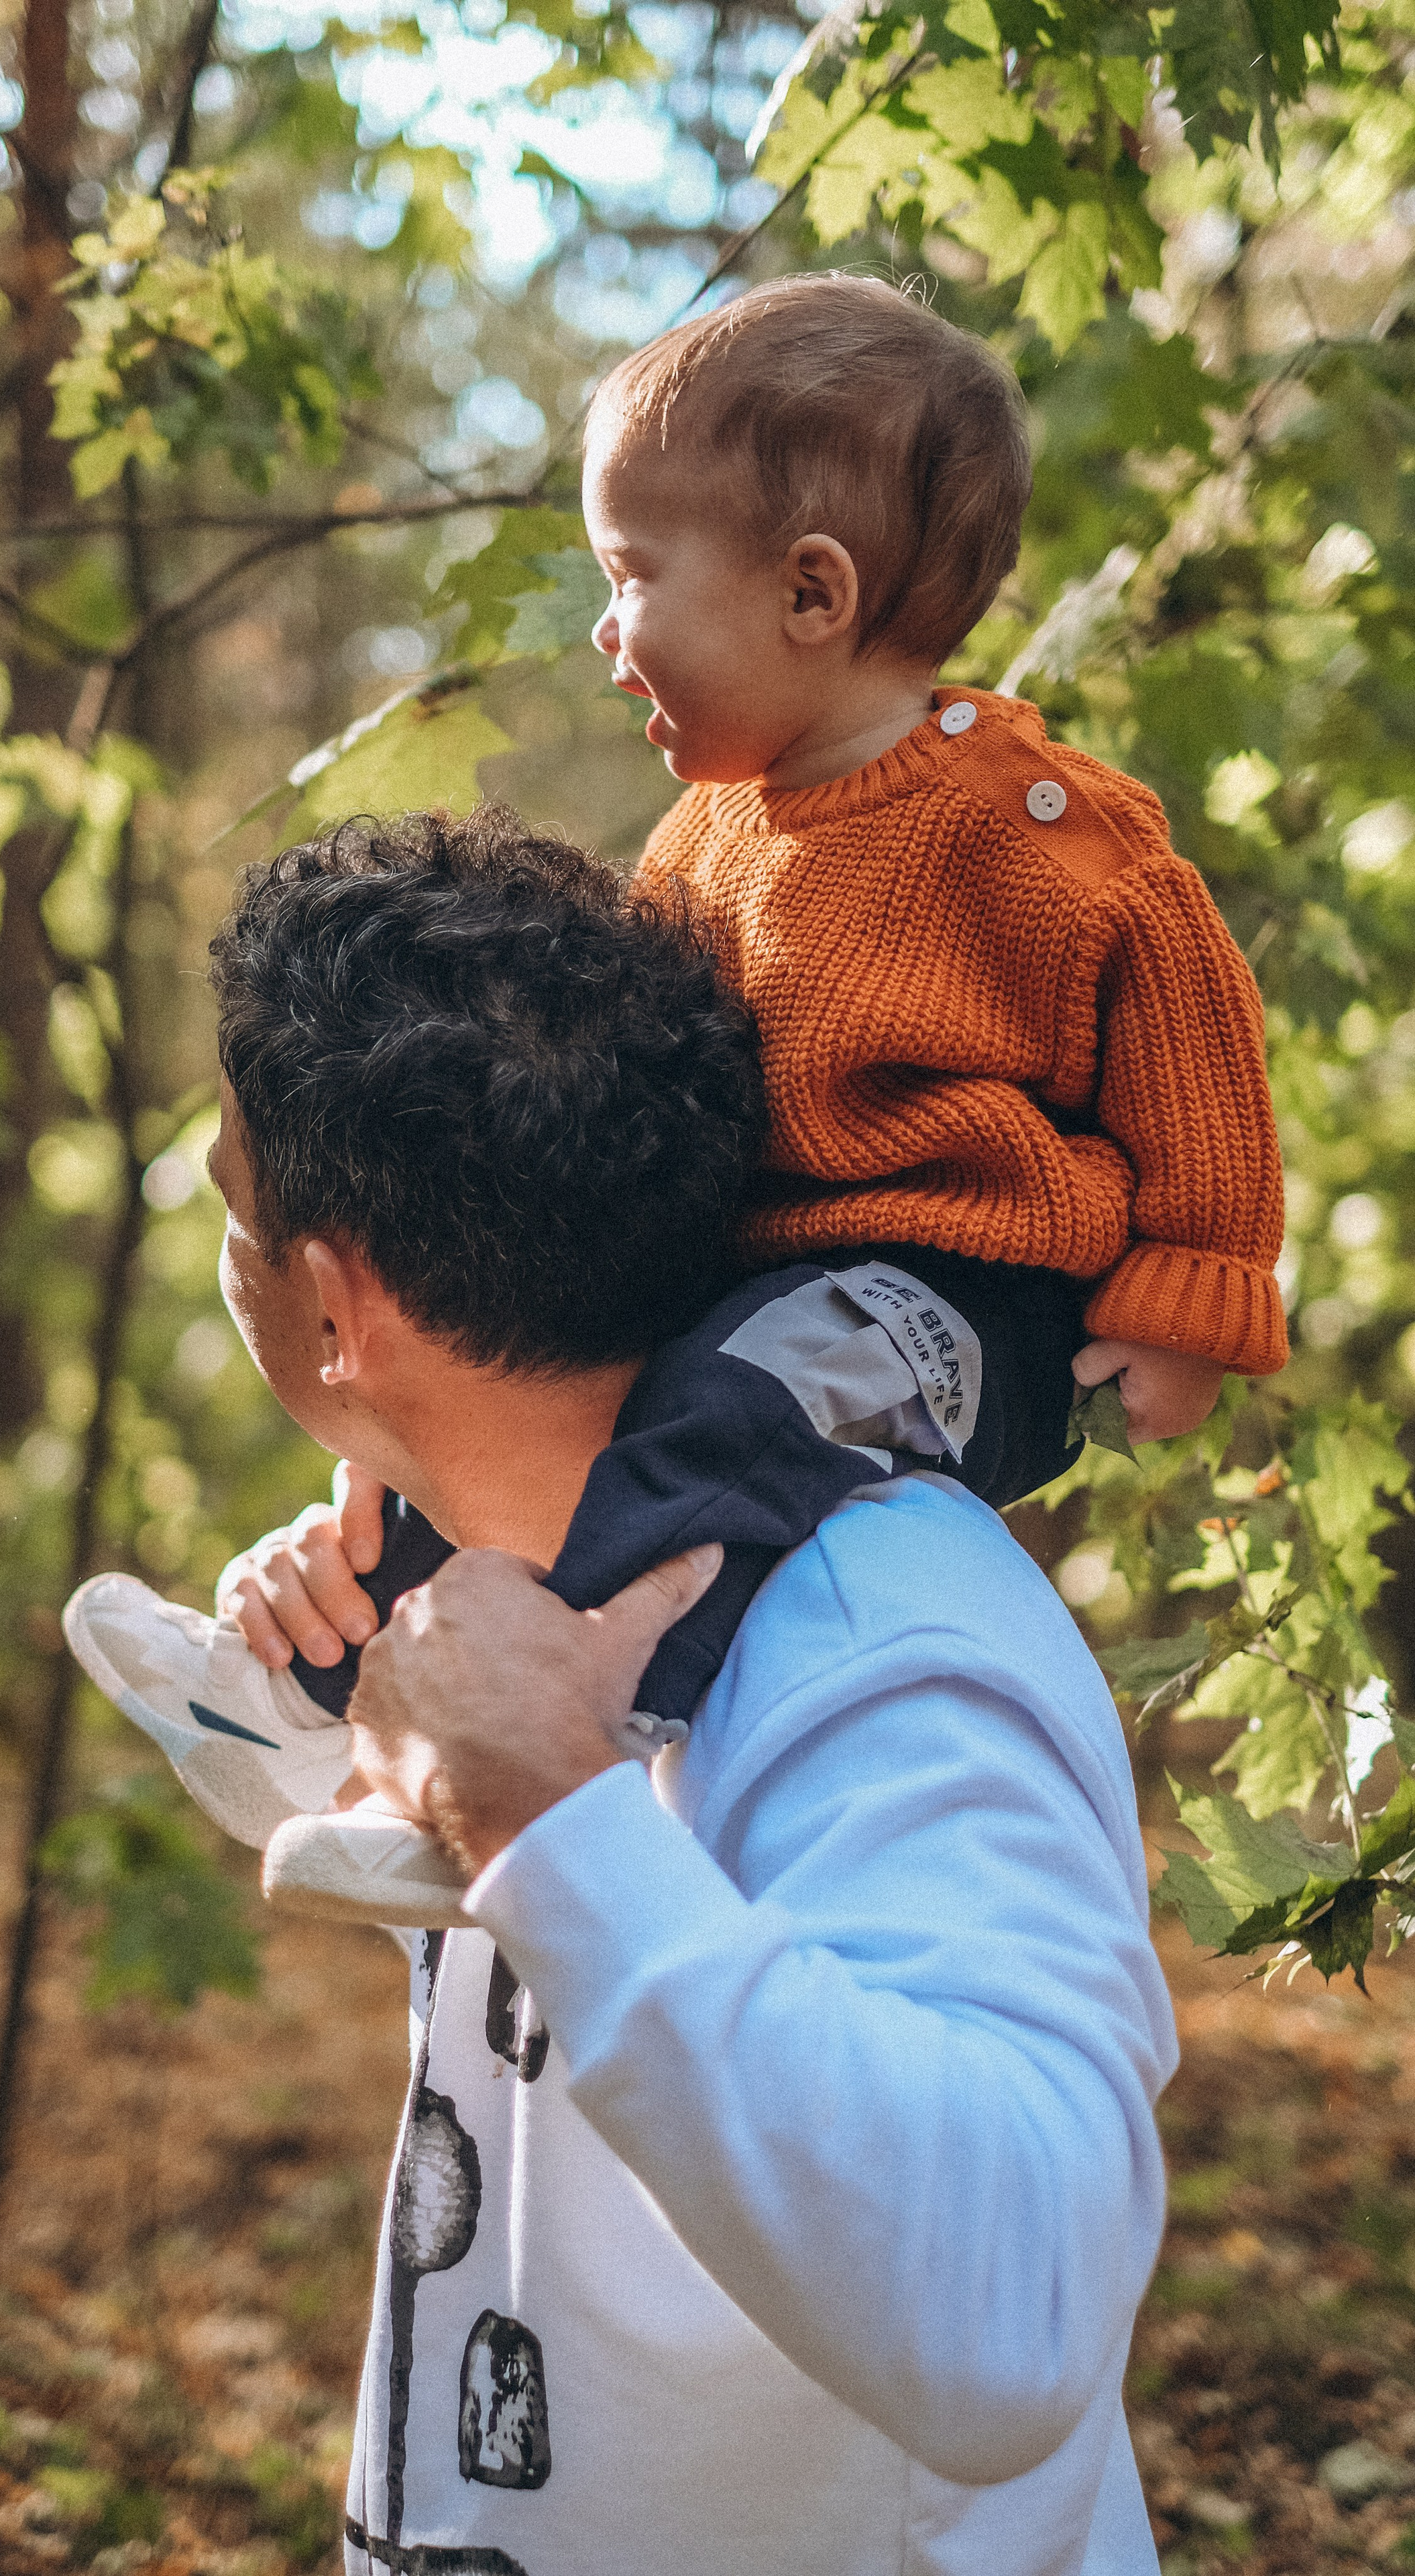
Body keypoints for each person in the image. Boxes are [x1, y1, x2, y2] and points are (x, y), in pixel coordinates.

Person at [189, 808, 1178, 2575]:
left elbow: (1022, 2314)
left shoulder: (888, 1637)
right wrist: (341, 1687)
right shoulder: (515, 1584)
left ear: (336, 1305)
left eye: (230, 1200)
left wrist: (551, 1821)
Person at [226, 270, 1286, 1919]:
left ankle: (558, 1726)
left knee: (728, 1418)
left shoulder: (1031, 821)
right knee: (570, 1423)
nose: (603, 628)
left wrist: (1189, 1292)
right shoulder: (704, 835)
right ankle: (317, 1718)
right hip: (746, 1279)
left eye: (631, 576)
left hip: (950, 1300)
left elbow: (1190, 1027)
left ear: (810, 593)